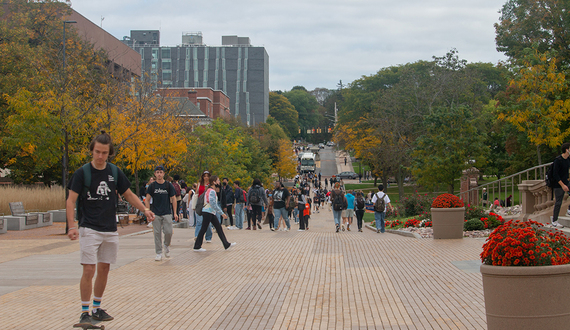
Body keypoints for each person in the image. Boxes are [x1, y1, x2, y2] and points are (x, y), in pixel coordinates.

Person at [66, 131, 155, 327]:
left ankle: (97, 308)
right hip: (89, 227)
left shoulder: (114, 172)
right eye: (97, 152)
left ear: (109, 153)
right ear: (92, 150)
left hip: (109, 228)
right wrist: (72, 226)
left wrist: (145, 209)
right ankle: (84, 312)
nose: (100, 156)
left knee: (104, 268)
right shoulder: (82, 173)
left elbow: (129, 194)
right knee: (89, 269)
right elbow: (71, 200)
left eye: (104, 153)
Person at [193, 175, 236, 252]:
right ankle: (197, 246)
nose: (219, 182)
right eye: (218, 180)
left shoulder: (209, 190)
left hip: (210, 212)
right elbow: (213, 203)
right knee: (204, 228)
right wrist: (221, 213)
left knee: (218, 228)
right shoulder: (211, 191)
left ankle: (226, 244)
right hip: (208, 212)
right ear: (214, 182)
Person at [145, 165, 178, 261]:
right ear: (155, 174)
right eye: (157, 172)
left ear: (163, 174)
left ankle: (166, 245)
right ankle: (158, 252)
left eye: (161, 172)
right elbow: (147, 199)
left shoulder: (168, 185)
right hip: (155, 212)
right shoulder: (152, 186)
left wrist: (175, 213)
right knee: (157, 232)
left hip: (166, 212)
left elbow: (174, 199)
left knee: (168, 231)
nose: (159, 174)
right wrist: (148, 211)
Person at [551, 142, 570, 228]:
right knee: (558, 202)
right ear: (567, 150)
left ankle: (569, 209)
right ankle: (554, 221)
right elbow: (555, 174)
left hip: (566, 181)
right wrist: (562, 185)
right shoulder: (558, 160)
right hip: (558, 184)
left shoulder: (568, 159)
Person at [195, 171, 213, 242]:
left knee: (207, 222)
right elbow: (196, 193)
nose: (206, 177)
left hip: (207, 204)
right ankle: (197, 236)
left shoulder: (211, 185)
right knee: (199, 221)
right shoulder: (199, 184)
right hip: (200, 203)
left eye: (207, 176)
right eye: (204, 176)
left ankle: (208, 237)